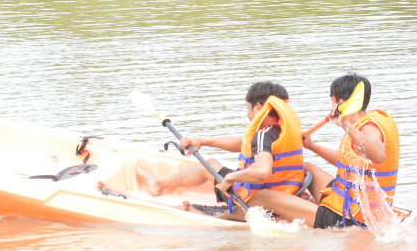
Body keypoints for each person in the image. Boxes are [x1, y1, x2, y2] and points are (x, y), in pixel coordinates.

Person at [130, 82, 305, 221]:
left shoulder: (263, 135)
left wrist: (231, 178)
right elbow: (246, 144)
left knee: (208, 165)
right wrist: (204, 141)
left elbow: (262, 170)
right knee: (214, 164)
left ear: (259, 108)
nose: (247, 115)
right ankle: (158, 183)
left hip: (254, 199)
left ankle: (157, 183)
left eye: (248, 108)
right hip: (285, 194)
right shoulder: (281, 131)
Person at [247, 73, 400, 230]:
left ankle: (228, 215)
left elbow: (379, 154)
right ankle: (292, 207)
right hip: (358, 203)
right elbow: (347, 161)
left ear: (339, 102)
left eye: (331, 100)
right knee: (306, 168)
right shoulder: (371, 120)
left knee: (263, 196)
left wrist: (345, 124)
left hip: (348, 217)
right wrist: (312, 146)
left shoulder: (368, 127)